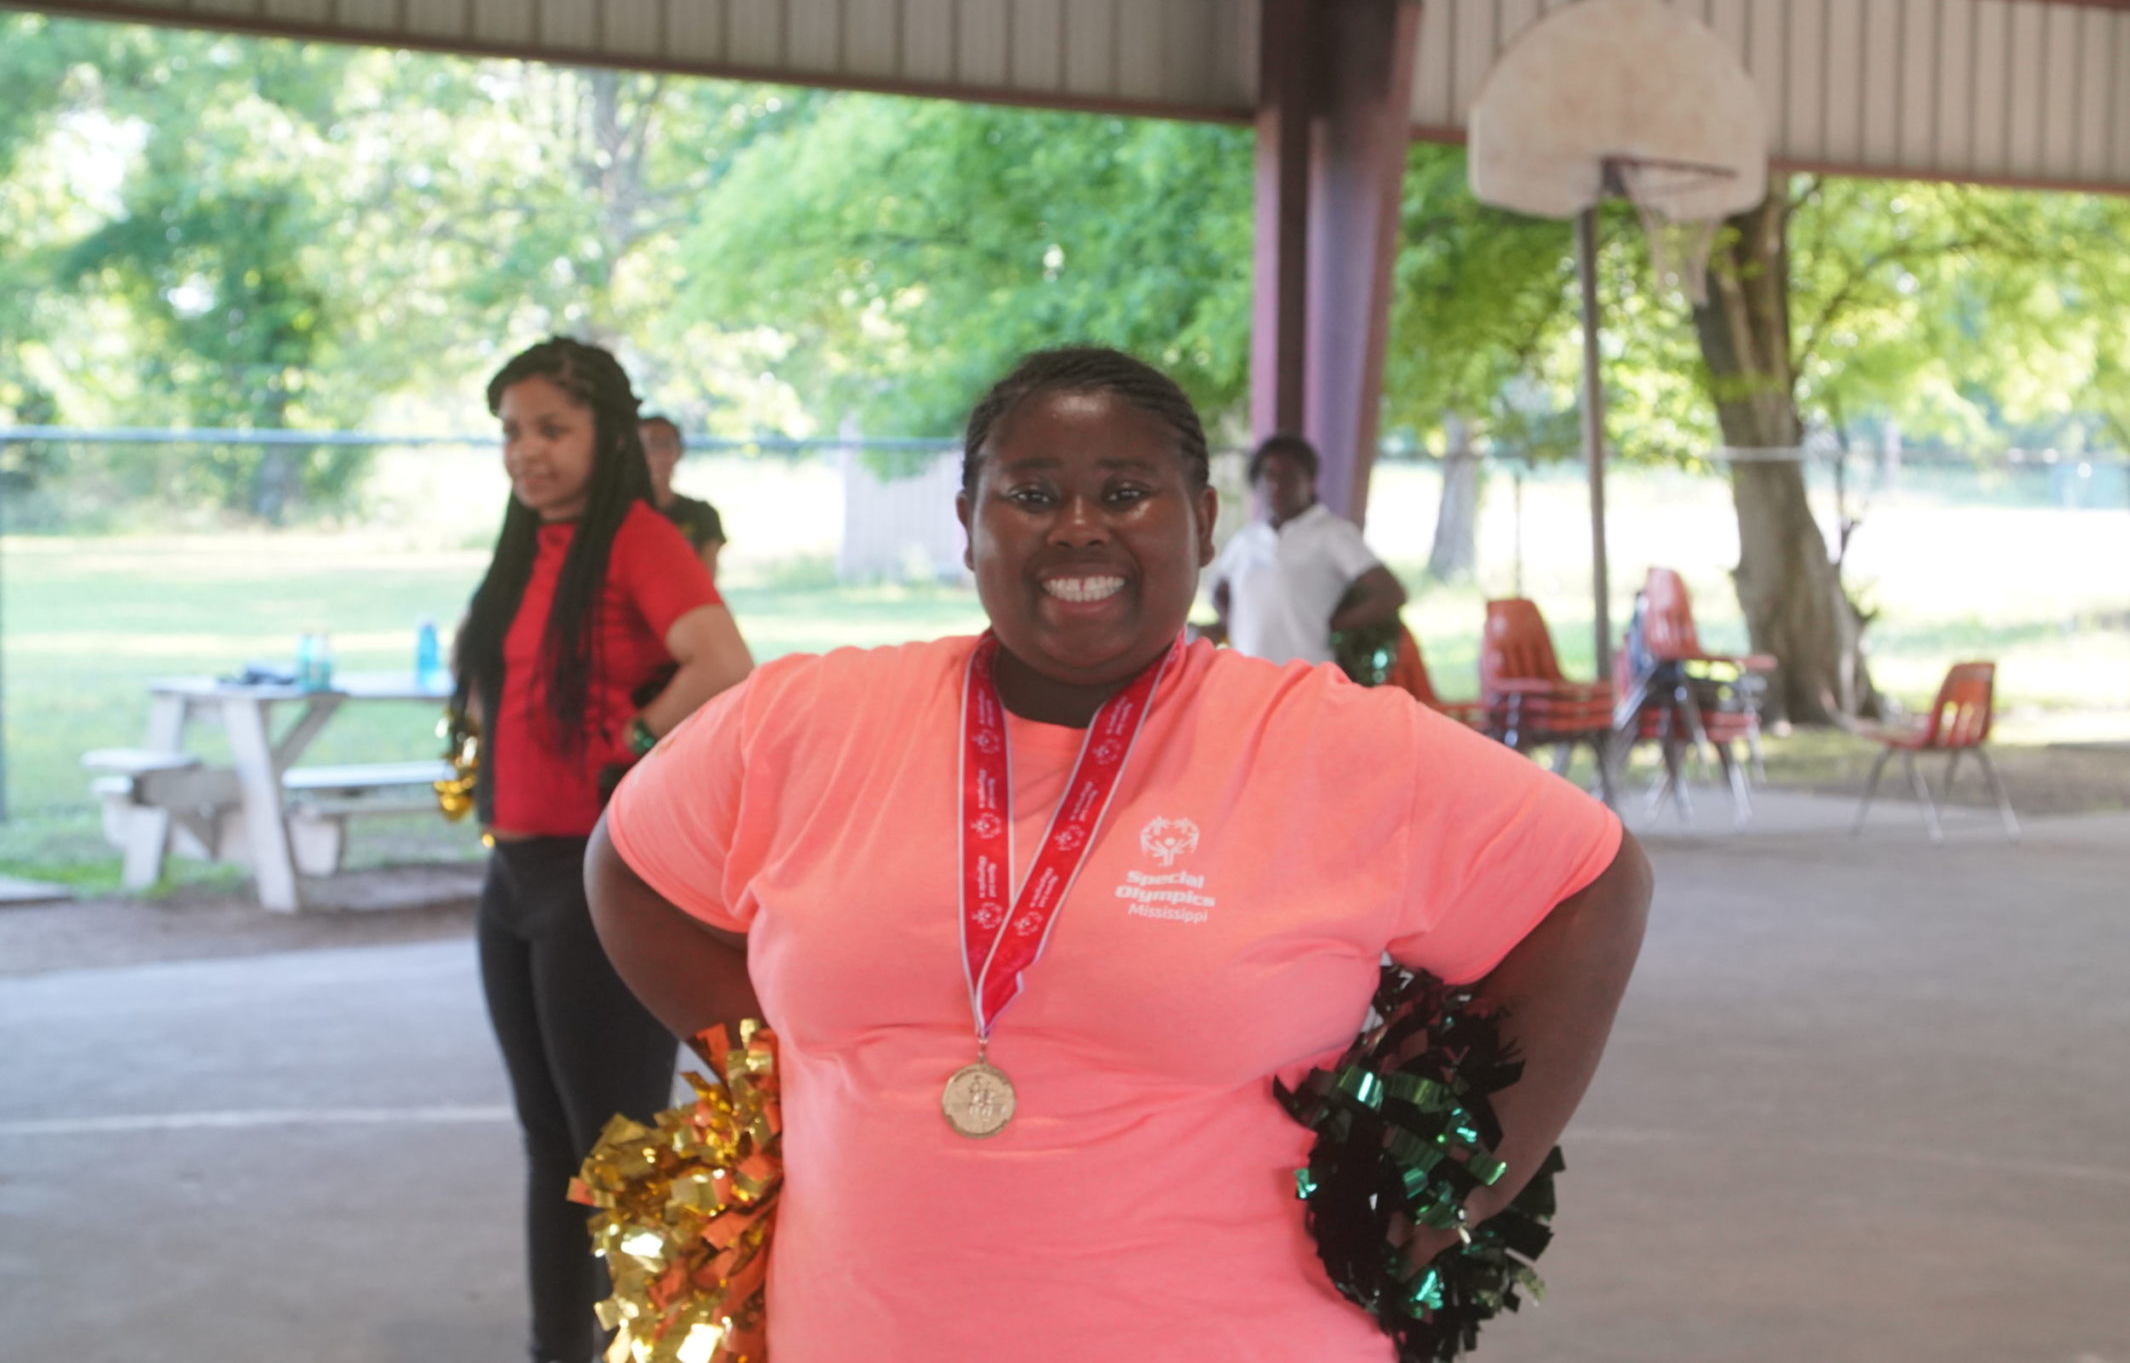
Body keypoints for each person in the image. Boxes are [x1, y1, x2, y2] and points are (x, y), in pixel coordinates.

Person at [584, 347, 1650, 1363]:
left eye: (1127, 492)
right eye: (1033, 494)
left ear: (1202, 520)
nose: (1080, 529)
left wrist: (1460, 1174)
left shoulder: (1335, 744)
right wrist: (784, 1059)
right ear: (968, 524)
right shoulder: (809, 719)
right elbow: (628, 865)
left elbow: (1591, 885)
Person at [452, 337, 754, 1363]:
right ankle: (558, 1350)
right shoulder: (525, 543)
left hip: (600, 881)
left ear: (605, 436)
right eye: (510, 433)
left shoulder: (634, 535)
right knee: (552, 1145)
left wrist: (628, 742)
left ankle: (646, 1348)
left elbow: (721, 661)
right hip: (514, 876)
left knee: (617, 1153)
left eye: (550, 429)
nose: (526, 453)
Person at [1202, 432, 1409, 666]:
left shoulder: (1332, 533)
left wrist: (1333, 624)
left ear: (1310, 482)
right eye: (1269, 476)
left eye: (1289, 477)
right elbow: (1218, 589)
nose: (1276, 485)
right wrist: (1233, 621)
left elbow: (1390, 593)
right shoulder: (1247, 538)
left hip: (1308, 673)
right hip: (1249, 675)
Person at [637, 413, 727, 582]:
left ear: (679, 451)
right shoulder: (620, 515)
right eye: (652, 444)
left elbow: (706, 582)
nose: (661, 453)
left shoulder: (703, 515)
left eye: (668, 444)